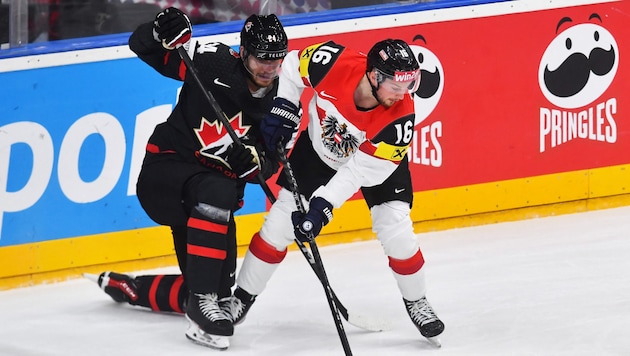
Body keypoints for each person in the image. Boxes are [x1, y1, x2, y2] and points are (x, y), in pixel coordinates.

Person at [88, 7, 288, 350]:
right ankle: (202, 300)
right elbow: (142, 46)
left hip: (209, 204)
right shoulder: (211, 63)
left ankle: (131, 288)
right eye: (261, 60)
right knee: (219, 192)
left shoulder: (283, 99)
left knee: (216, 295)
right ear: (242, 53)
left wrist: (256, 163)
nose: (269, 68)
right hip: (165, 176)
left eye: (276, 60)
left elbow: (269, 167)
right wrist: (158, 30)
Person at [229, 38, 446, 344]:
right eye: (397, 86)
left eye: (411, 84)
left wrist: (322, 206)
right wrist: (286, 106)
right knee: (279, 224)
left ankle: (417, 300)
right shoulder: (331, 62)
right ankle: (242, 297)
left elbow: (356, 172)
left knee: (395, 227)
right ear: (374, 76)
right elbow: (291, 66)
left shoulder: (400, 121)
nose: (404, 94)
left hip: (373, 163)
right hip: (317, 153)